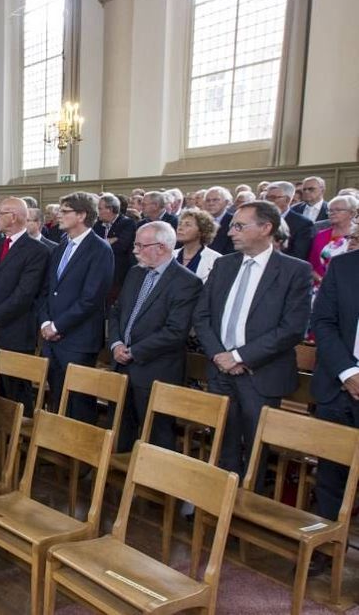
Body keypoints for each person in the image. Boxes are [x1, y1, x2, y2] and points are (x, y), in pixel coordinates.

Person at [193, 201, 311, 478]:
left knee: (256, 450)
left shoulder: (295, 270)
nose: (231, 232)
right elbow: (202, 316)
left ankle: (245, 509)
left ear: (266, 228)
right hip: (220, 370)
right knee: (222, 443)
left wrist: (238, 356)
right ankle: (218, 506)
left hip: (261, 373)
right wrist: (220, 356)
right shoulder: (224, 264)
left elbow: (292, 328)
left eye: (239, 226)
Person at [108, 222, 202, 451]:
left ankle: (153, 486)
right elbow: (117, 311)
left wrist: (135, 352)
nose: (135, 250)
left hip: (156, 370)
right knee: (120, 430)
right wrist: (117, 343)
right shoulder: (135, 272)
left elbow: (176, 331)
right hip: (122, 366)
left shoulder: (187, 282)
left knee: (157, 438)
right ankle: (119, 483)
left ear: (161, 247)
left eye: (141, 245)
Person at [39, 192, 114, 424]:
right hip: (52, 337)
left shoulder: (100, 250)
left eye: (65, 211)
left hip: (78, 338)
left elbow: (91, 299)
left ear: (81, 215)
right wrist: (45, 322)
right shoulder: (61, 246)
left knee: (79, 403)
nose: (58, 215)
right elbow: (48, 290)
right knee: (57, 397)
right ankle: (57, 451)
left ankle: (79, 458)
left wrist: (58, 325)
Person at [310, 245, 359, 575]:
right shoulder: (343, 266)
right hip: (339, 386)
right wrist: (349, 372)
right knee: (330, 476)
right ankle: (325, 549)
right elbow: (323, 323)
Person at [0, 197, 49, 401]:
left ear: (14, 217)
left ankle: (18, 434)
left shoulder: (37, 251)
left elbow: (24, 294)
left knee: (16, 396)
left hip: (15, 332)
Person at [93, 193, 137, 297]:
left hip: (119, 274)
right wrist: (110, 241)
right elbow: (93, 246)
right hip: (100, 273)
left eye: (100, 208)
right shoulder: (97, 225)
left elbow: (121, 247)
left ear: (110, 209)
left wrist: (103, 243)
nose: (97, 212)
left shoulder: (127, 223)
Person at [308, 195, 358, 285]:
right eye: (330, 210)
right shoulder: (320, 235)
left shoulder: (356, 235)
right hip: (321, 286)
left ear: (352, 213)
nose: (332, 213)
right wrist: (321, 280)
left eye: (338, 210)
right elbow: (312, 265)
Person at [264, 181, 315, 262]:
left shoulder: (303, 224)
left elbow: (298, 256)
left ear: (287, 199)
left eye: (273, 198)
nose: (268, 201)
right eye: (266, 197)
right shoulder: (259, 218)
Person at [175, 208, 222, 282]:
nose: (180, 228)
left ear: (202, 231)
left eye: (187, 225)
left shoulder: (216, 260)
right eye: (180, 224)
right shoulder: (170, 255)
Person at [203, 186, 235, 255]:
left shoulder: (234, 221)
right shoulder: (200, 221)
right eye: (208, 200)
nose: (211, 203)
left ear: (226, 202)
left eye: (215, 200)